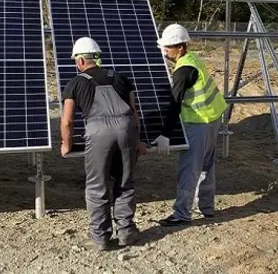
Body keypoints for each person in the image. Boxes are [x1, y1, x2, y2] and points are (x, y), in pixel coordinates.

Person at [60, 36, 149, 250]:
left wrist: (67, 144)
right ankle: (127, 232)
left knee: (97, 186)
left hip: (98, 133)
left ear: (80, 61)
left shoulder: (75, 83)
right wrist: (137, 140)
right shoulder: (120, 78)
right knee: (125, 182)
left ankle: (100, 238)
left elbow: (67, 120)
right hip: (127, 129)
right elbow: (134, 113)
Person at [150, 24, 228, 227]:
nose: (164, 51)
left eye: (168, 47)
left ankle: (182, 214)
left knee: (190, 168)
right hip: (213, 117)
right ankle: (207, 207)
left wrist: (165, 134)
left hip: (200, 122)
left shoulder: (183, 70)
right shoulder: (192, 59)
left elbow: (174, 103)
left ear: (180, 48)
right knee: (206, 164)